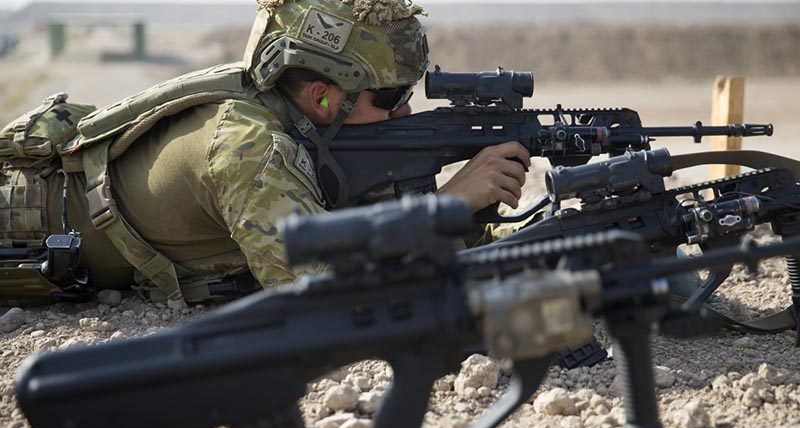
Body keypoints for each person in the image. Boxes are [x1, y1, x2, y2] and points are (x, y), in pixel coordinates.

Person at [0, 0, 530, 307]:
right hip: (16, 228)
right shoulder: (249, 146)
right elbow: (324, 292)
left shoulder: (298, 126)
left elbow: (358, 226)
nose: (405, 115)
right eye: (390, 98)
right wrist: (449, 204)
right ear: (324, 97)